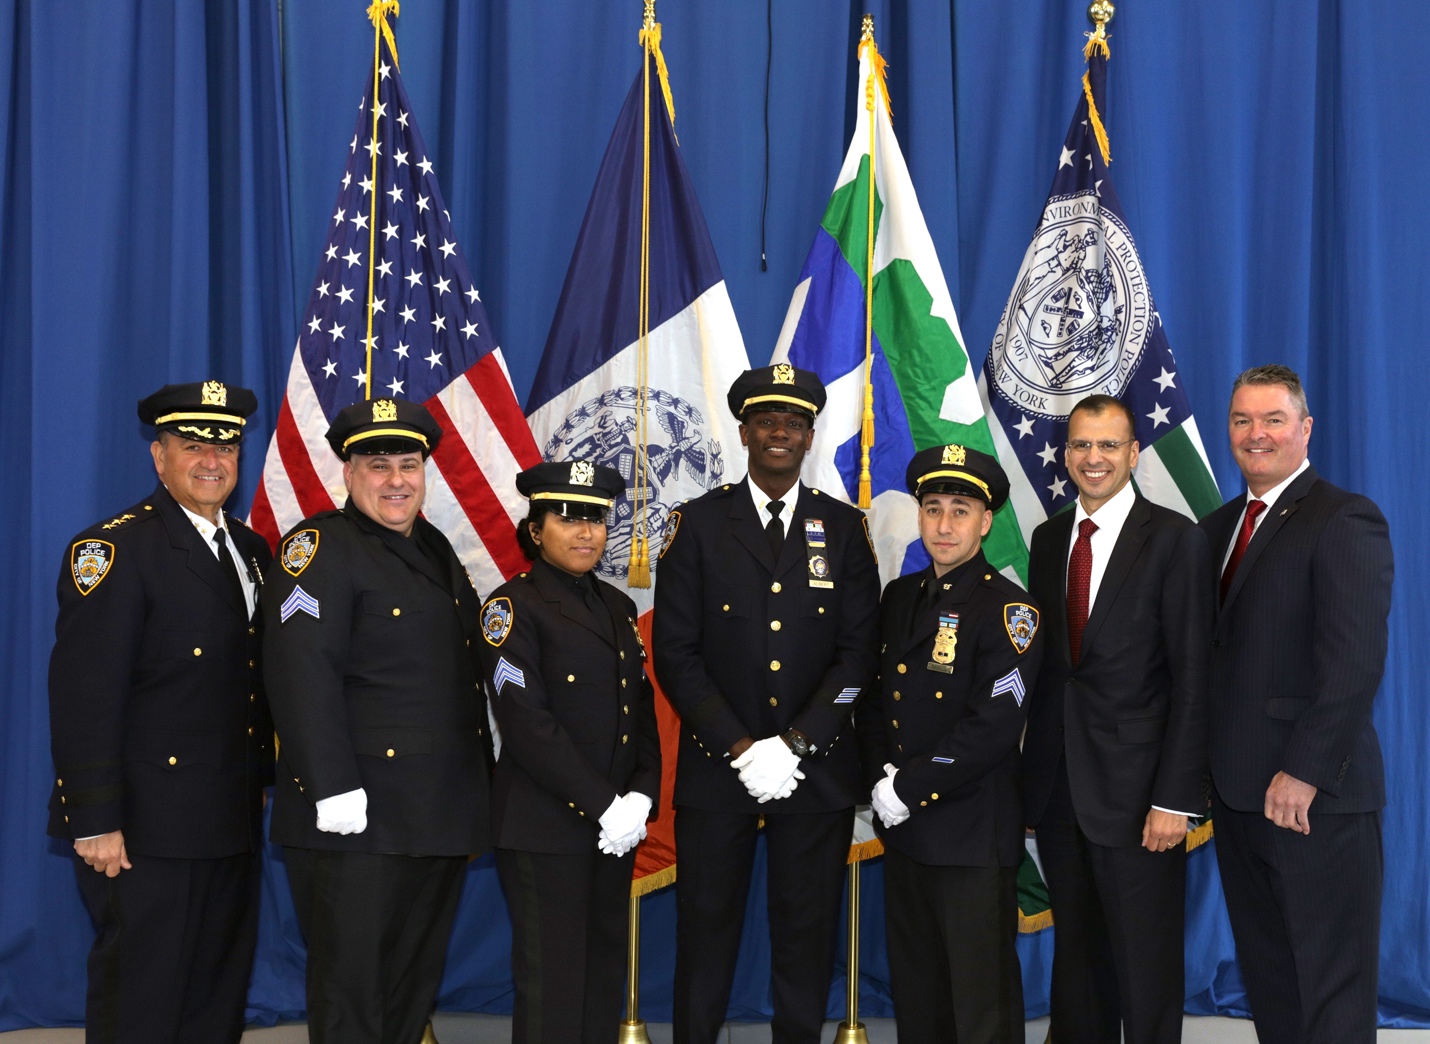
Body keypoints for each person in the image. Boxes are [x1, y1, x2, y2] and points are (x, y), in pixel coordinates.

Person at [652, 362, 881, 1044]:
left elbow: (857, 655)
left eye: (794, 423)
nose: (780, 432)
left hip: (815, 773)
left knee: (805, 936)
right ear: (745, 432)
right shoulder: (695, 524)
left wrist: (797, 744)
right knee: (705, 931)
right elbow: (676, 654)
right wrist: (741, 746)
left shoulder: (844, 529)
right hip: (719, 769)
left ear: (810, 437)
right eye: (766, 421)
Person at [262, 397, 492, 1044]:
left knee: (410, 988)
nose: (397, 480)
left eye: (409, 464)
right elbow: (299, 675)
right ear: (349, 472)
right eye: (379, 464)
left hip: (435, 812)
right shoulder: (318, 548)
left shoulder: (434, 544)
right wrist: (330, 785)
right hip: (355, 815)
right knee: (352, 995)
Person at [48, 381, 272, 1043]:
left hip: (227, 816)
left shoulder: (252, 552)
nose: (212, 458)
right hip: (144, 827)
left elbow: (250, 683)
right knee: (142, 1001)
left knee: (214, 996)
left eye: (225, 444)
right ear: (158, 456)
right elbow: (85, 693)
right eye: (193, 443)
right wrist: (94, 819)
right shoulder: (115, 551)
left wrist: (259, 781)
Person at [1200, 365, 1393, 1044]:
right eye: (1242, 421)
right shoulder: (1219, 526)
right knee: (1274, 985)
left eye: (1272, 419)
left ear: (1304, 429)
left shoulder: (1345, 517)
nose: (1256, 435)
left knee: (1330, 993)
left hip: (1315, 799)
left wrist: (1305, 770)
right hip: (1238, 795)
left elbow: (1356, 661)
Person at [1021, 394, 1212, 1044]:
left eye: (1108, 445)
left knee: (1144, 968)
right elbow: (1052, 675)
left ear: (1133, 454)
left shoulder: (1176, 540)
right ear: (1066, 454)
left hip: (1140, 801)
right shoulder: (1048, 540)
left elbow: (1194, 680)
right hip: (1059, 793)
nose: (1093, 458)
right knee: (1077, 964)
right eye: (1081, 445)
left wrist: (1175, 799)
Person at [856, 444, 1044, 1044]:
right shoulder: (900, 598)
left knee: (978, 1003)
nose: (943, 524)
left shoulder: (1010, 610)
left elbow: (992, 725)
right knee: (920, 996)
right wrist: (881, 781)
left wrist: (907, 786)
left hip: (970, 833)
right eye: (932, 507)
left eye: (960, 510)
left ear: (985, 522)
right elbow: (878, 700)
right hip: (906, 828)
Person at [475, 460, 661, 1044]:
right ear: (535, 531)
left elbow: (641, 710)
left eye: (597, 519)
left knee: (602, 974)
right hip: (544, 827)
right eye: (568, 518)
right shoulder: (510, 609)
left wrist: (642, 795)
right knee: (552, 984)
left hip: (613, 829)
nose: (587, 532)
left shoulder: (617, 606)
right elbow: (529, 727)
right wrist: (606, 804)